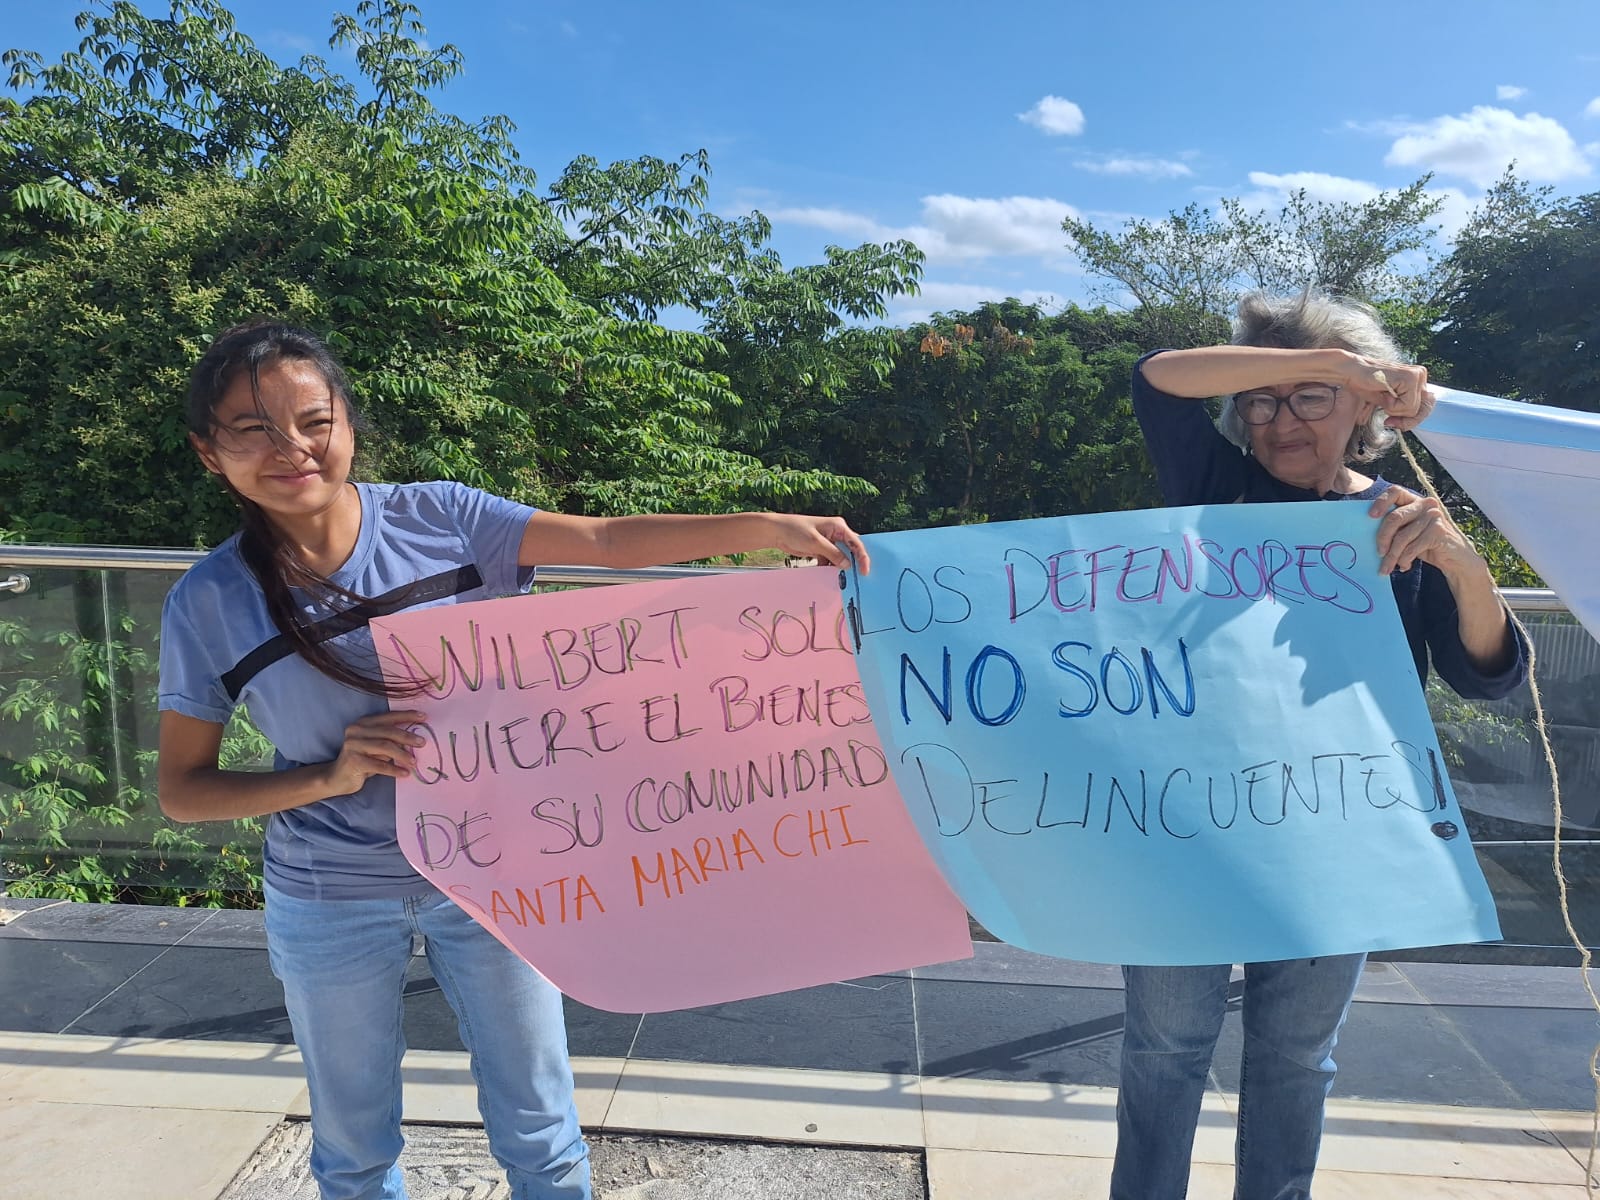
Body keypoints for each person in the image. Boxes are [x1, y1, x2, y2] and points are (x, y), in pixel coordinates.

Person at [155, 319, 872, 1200]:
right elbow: (184, 792)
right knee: (352, 1142)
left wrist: (769, 529)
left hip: (497, 876)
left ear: (348, 423)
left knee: (539, 1122)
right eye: (253, 430)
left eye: (313, 420)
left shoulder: (445, 519)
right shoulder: (208, 602)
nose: (292, 449)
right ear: (207, 454)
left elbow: (603, 542)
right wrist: (326, 777)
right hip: (327, 893)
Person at [1114, 290, 1527, 1200]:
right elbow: (1156, 382)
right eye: (1261, 398)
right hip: (1191, 830)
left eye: (1311, 397)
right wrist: (1329, 366)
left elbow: (1488, 673)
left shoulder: (1399, 520)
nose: (1279, 419)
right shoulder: (1216, 490)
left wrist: (1461, 561)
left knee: (1298, 1059)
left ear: (1366, 414)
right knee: (1164, 1048)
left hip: (1337, 834)